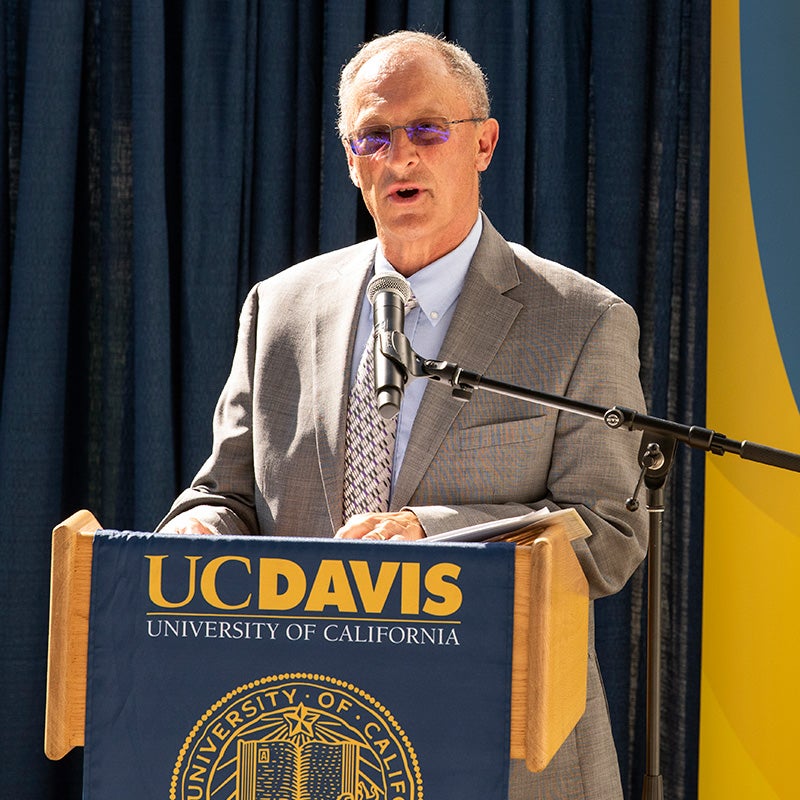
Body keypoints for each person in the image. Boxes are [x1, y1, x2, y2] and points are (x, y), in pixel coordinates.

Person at [159, 30, 648, 799]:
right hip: (311, 728)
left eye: (426, 129)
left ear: (482, 143)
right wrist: (195, 532)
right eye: (374, 136)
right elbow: (225, 494)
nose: (401, 156)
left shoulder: (580, 320)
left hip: (504, 741)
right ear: (350, 158)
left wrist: (431, 529)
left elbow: (610, 536)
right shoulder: (281, 308)